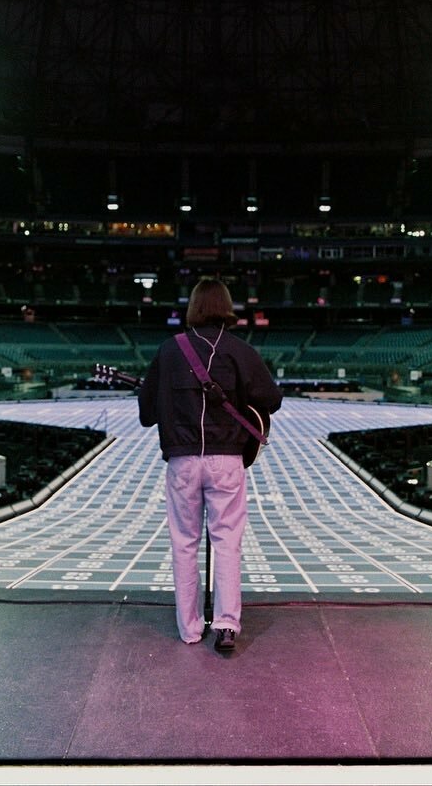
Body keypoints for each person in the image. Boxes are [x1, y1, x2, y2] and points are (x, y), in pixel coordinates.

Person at [138, 278, 283, 651]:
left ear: (193, 308)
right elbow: (272, 398)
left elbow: (147, 414)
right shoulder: (239, 350)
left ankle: (189, 629)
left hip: (182, 462)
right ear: (226, 307)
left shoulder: (169, 351)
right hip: (226, 460)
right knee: (227, 541)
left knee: (184, 543)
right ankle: (226, 624)